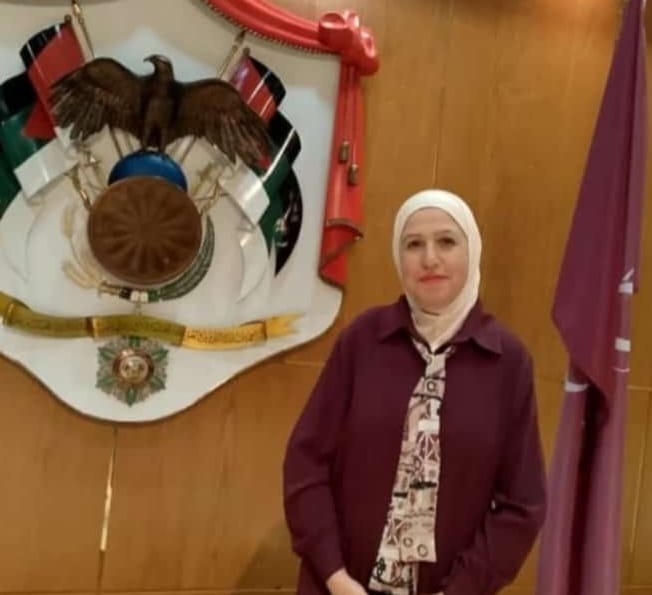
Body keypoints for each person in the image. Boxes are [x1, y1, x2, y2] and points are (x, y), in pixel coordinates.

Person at [283, 189, 546, 595]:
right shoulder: (362, 341)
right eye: (413, 244)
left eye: (447, 242)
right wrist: (334, 575)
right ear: (398, 256)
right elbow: (306, 463)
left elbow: (521, 505)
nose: (429, 259)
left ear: (472, 251)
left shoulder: (508, 363)